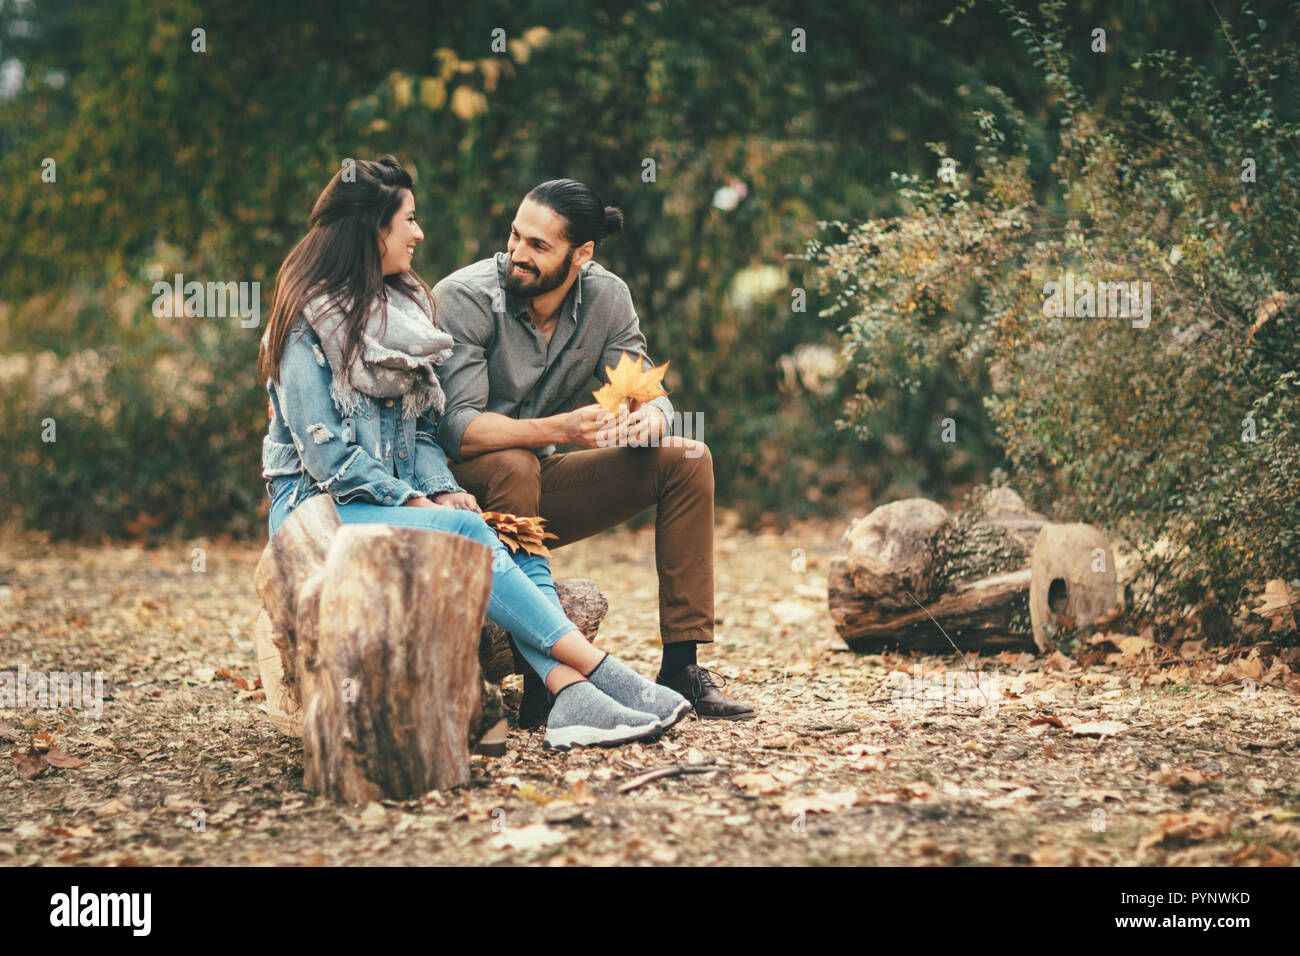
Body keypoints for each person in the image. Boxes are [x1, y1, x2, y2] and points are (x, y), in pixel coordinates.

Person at [256, 156, 689, 750]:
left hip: (386, 505)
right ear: (372, 231)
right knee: (468, 531)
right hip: (315, 512)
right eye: (408, 220)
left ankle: (568, 695)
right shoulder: (304, 325)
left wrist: (439, 485)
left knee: (487, 525)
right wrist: (414, 496)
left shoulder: (400, 315)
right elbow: (328, 458)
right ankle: (601, 672)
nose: (419, 233)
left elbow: (422, 433)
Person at [431, 179, 756, 724]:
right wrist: (560, 426)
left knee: (689, 459)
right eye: (515, 237)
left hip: (535, 487)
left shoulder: (608, 297)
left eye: (539, 246)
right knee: (514, 463)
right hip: (455, 499)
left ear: (582, 254)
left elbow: (643, 386)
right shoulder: (464, 297)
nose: (518, 254)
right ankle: (546, 680)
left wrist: (649, 417)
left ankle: (681, 666)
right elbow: (455, 429)